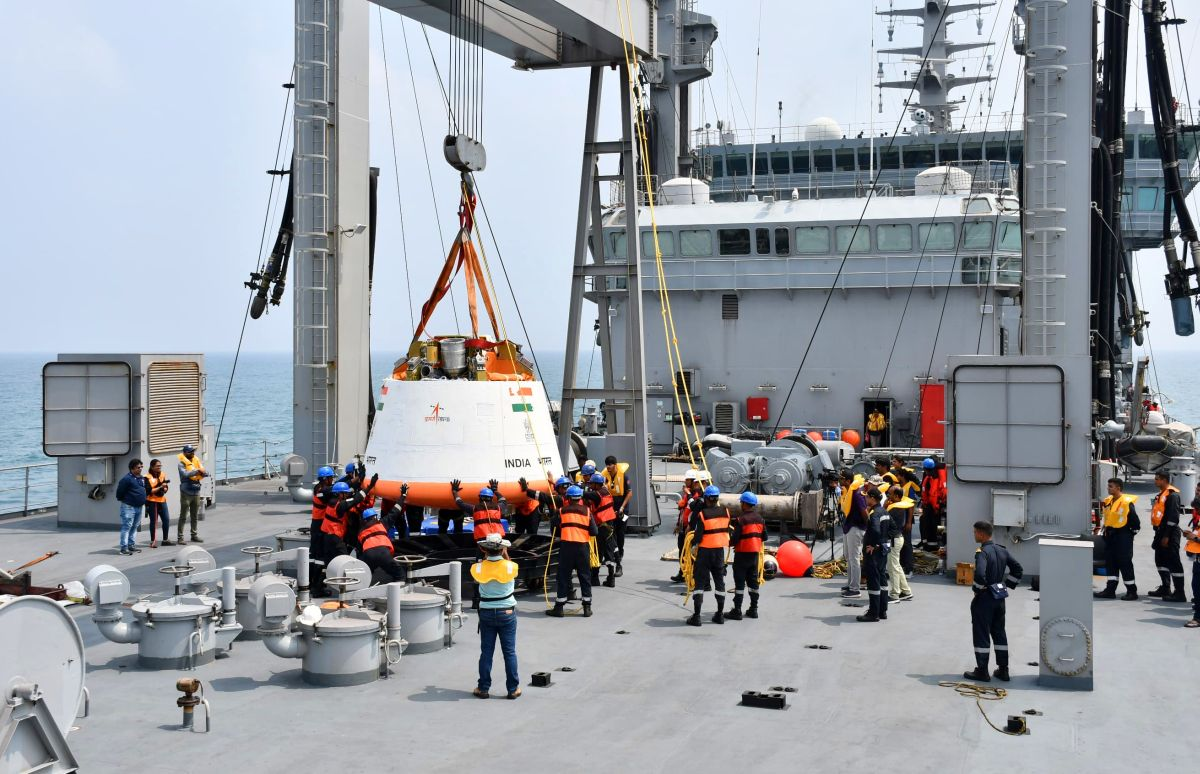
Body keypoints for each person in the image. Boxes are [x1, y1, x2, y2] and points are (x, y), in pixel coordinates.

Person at [963, 520, 1023, 682]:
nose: (974, 535)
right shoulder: (1002, 550)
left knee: (981, 633)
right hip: (999, 597)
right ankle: (1003, 670)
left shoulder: (982, 552)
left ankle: (982, 671)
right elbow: (1017, 568)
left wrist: (977, 590)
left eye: (975, 532)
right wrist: (1007, 585)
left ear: (982, 534)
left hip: (985, 599)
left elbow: (980, 575)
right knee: (999, 632)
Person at [471, 533, 521, 700]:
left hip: (486, 613)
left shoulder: (477, 568)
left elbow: (482, 570)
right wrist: (505, 554)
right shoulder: (511, 566)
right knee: (509, 652)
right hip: (507, 612)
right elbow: (509, 565)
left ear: (484, 549)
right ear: (503, 549)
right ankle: (513, 689)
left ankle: (483, 688)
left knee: (486, 652)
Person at [546, 485, 597, 618]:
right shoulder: (587, 511)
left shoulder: (561, 511)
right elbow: (594, 532)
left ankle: (559, 608)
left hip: (567, 548)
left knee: (563, 577)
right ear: (580, 497)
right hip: (582, 548)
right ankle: (587, 608)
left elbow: (554, 530)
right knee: (584, 577)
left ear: (568, 497)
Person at [686, 484, 730, 626]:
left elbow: (698, 537)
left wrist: (692, 544)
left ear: (706, 498)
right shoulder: (726, 512)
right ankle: (719, 615)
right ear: (717, 498)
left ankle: (697, 616)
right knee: (720, 583)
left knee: (699, 583)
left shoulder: (702, 514)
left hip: (704, 553)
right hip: (719, 553)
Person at [1094, 477, 1139, 600]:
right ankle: (1110, 590)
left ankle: (1132, 591)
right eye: (1108, 486)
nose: (1108, 488)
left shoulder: (1126, 503)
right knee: (1111, 563)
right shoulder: (1109, 501)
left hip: (1123, 537)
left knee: (1125, 563)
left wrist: (1128, 536)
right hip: (1110, 536)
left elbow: (1136, 524)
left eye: (1110, 486)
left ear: (1118, 488)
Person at [726, 491, 766, 620]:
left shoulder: (740, 519)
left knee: (739, 583)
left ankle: (737, 610)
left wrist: (729, 542)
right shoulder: (760, 519)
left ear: (744, 503)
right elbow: (764, 536)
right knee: (753, 583)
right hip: (754, 556)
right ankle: (753, 609)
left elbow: (735, 538)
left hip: (741, 555)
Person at [1148, 472, 1187, 602]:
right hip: (1160, 531)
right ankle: (1165, 588)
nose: (1155, 481)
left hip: (1169, 533)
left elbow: (1173, 518)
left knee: (1173, 562)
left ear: (1164, 480)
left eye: (1157, 479)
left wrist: (1166, 536)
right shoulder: (1161, 495)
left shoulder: (1173, 496)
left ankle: (1180, 592)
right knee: (1160, 560)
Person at [857, 487, 890, 622]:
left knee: (873, 582)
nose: (865, 499)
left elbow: (875, 531)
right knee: (882, 580)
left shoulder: (875, 513)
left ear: (872, 498)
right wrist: (883, 543)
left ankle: (873, 613)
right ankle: (882, 611)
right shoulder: (885, 512)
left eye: (867, 497)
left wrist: (874, 545)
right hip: (883, 551)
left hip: (874, 554)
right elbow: (893, 529)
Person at [322, 478, 372, 561]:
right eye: (345, 493)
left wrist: (358, 483)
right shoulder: (340, 505)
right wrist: (369, 487)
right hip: (335, 537)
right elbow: (356, 499)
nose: (347, 495)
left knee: (330, 559)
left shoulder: (331, 501)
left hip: (327, 536)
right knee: (344, 559)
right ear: (339, 494)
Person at [583, 473, 620, 587]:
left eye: (592, 483)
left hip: (601, 527)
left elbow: (585, 494)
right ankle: (611, 578)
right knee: (609, 552)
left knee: (597, 552)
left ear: (596, 484)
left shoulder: (597, 494)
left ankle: (595, 578)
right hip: (609, 527)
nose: (590, 485)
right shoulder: (606, 492)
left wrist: (576, 488)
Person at [838, 468, 868, 599]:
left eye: (842, 478)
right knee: (849, 558)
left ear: (848, 481)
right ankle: (850, 584)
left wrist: (868, 528)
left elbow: (864, 512)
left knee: (854, 558)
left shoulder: (856, 493)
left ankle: (855, 589)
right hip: (849, 527)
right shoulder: (848, 492)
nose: (840, 480)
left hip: (855, 528)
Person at [357, 507, 405, 585]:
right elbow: (394, 512)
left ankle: (361, 587)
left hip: (368, 555)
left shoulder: (361, 531)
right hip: (383, 553)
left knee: (365, 573)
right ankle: (399, 590)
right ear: (375, 517)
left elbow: (359, 550)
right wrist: (402, 497)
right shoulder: (382, 524)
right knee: (399, 574)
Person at [885, 486, 915, 603]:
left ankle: (894, 594)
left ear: (897, 496)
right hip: (897, 538)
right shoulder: (898, 507)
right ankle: (906, 591)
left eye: (890, 494)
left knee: (893, 568)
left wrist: (884, 507)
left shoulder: (895, 509)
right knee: (896, 566)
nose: (888, 496)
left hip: (893, 540)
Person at [602, 455, 633, 572]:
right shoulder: (605, 477)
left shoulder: (624, 476)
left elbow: (629, 493)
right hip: (611, 508)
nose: (608, 467)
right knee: (611, 531)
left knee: (621, 531)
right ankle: (612, 554)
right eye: (607, 465)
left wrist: (622, 508)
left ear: (615, 465)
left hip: (623, 510)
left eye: (610, 465)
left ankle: (620, 551)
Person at [671, 470, 702, 583]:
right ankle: (682, 573)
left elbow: (694, 512)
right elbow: (683, 510)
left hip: (691, 529)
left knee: (690, 553)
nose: (685, 481)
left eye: (687, 479)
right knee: (682, 551)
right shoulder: (687, 494)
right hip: (684, 527)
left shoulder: (696, 496)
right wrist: (678, 524)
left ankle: (691, 576)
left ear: (693, 481)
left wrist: (689, 526)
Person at [115, 459, 147, 555]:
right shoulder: (126, 479)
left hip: (139, 507)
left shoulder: (141, 478)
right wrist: (124, 500)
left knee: (134, 526)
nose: (140, 469)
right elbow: (119, 492)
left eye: (141, 467)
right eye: (138, 467)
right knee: (127, 526)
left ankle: (131, 545)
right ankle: (123, 548)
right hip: (129, 507)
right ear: (132, 468)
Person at [176, 444, 207, 544]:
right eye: (190, 451)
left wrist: (204, 472)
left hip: (196, 491)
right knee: (183, 516)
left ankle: (194, 535)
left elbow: (203, 471)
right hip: (186, 492)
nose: (192, 453)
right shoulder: (181, 464)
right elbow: (185, 474)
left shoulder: (196, 461)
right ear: (184, 453)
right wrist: (197, 471)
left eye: (193, 451)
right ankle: (180, 537)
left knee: (195, 515)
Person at [918, 457, 947, 550]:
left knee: (936, 526)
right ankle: (928, 543)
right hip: (931, 506)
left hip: (936, 507)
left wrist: (938, 506)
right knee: (927, 524)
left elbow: (939, 493)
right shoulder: (930, 477)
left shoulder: (935, 477)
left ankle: (935, 544)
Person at [143, 458, 171, 548]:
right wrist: (159, 488)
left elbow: (165, 486)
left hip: (162, 500)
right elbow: (149, 491)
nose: (159, 467)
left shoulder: (162, 474)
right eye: (157, 466)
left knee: (166, 519)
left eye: (160, 465)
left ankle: (165, 540)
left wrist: (165, 488)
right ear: (152, 467)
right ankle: (153, 541)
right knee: (154, 522)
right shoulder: (147, 477)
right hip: (152, 501)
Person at [310, 465, 335, 557]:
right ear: (325, 479)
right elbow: (330, 490)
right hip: (318, 523)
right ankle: (314, 570)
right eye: (331, 477)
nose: (332, 479)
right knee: (317, 549)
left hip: (320, 522)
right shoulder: (320, 490)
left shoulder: (320, 487)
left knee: (320, 548)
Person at [1183, 502, 1200, 628]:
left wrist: (1194, 538)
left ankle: (1198, 618)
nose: (1196, 512)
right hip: (1198, 561)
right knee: (1197, 590)